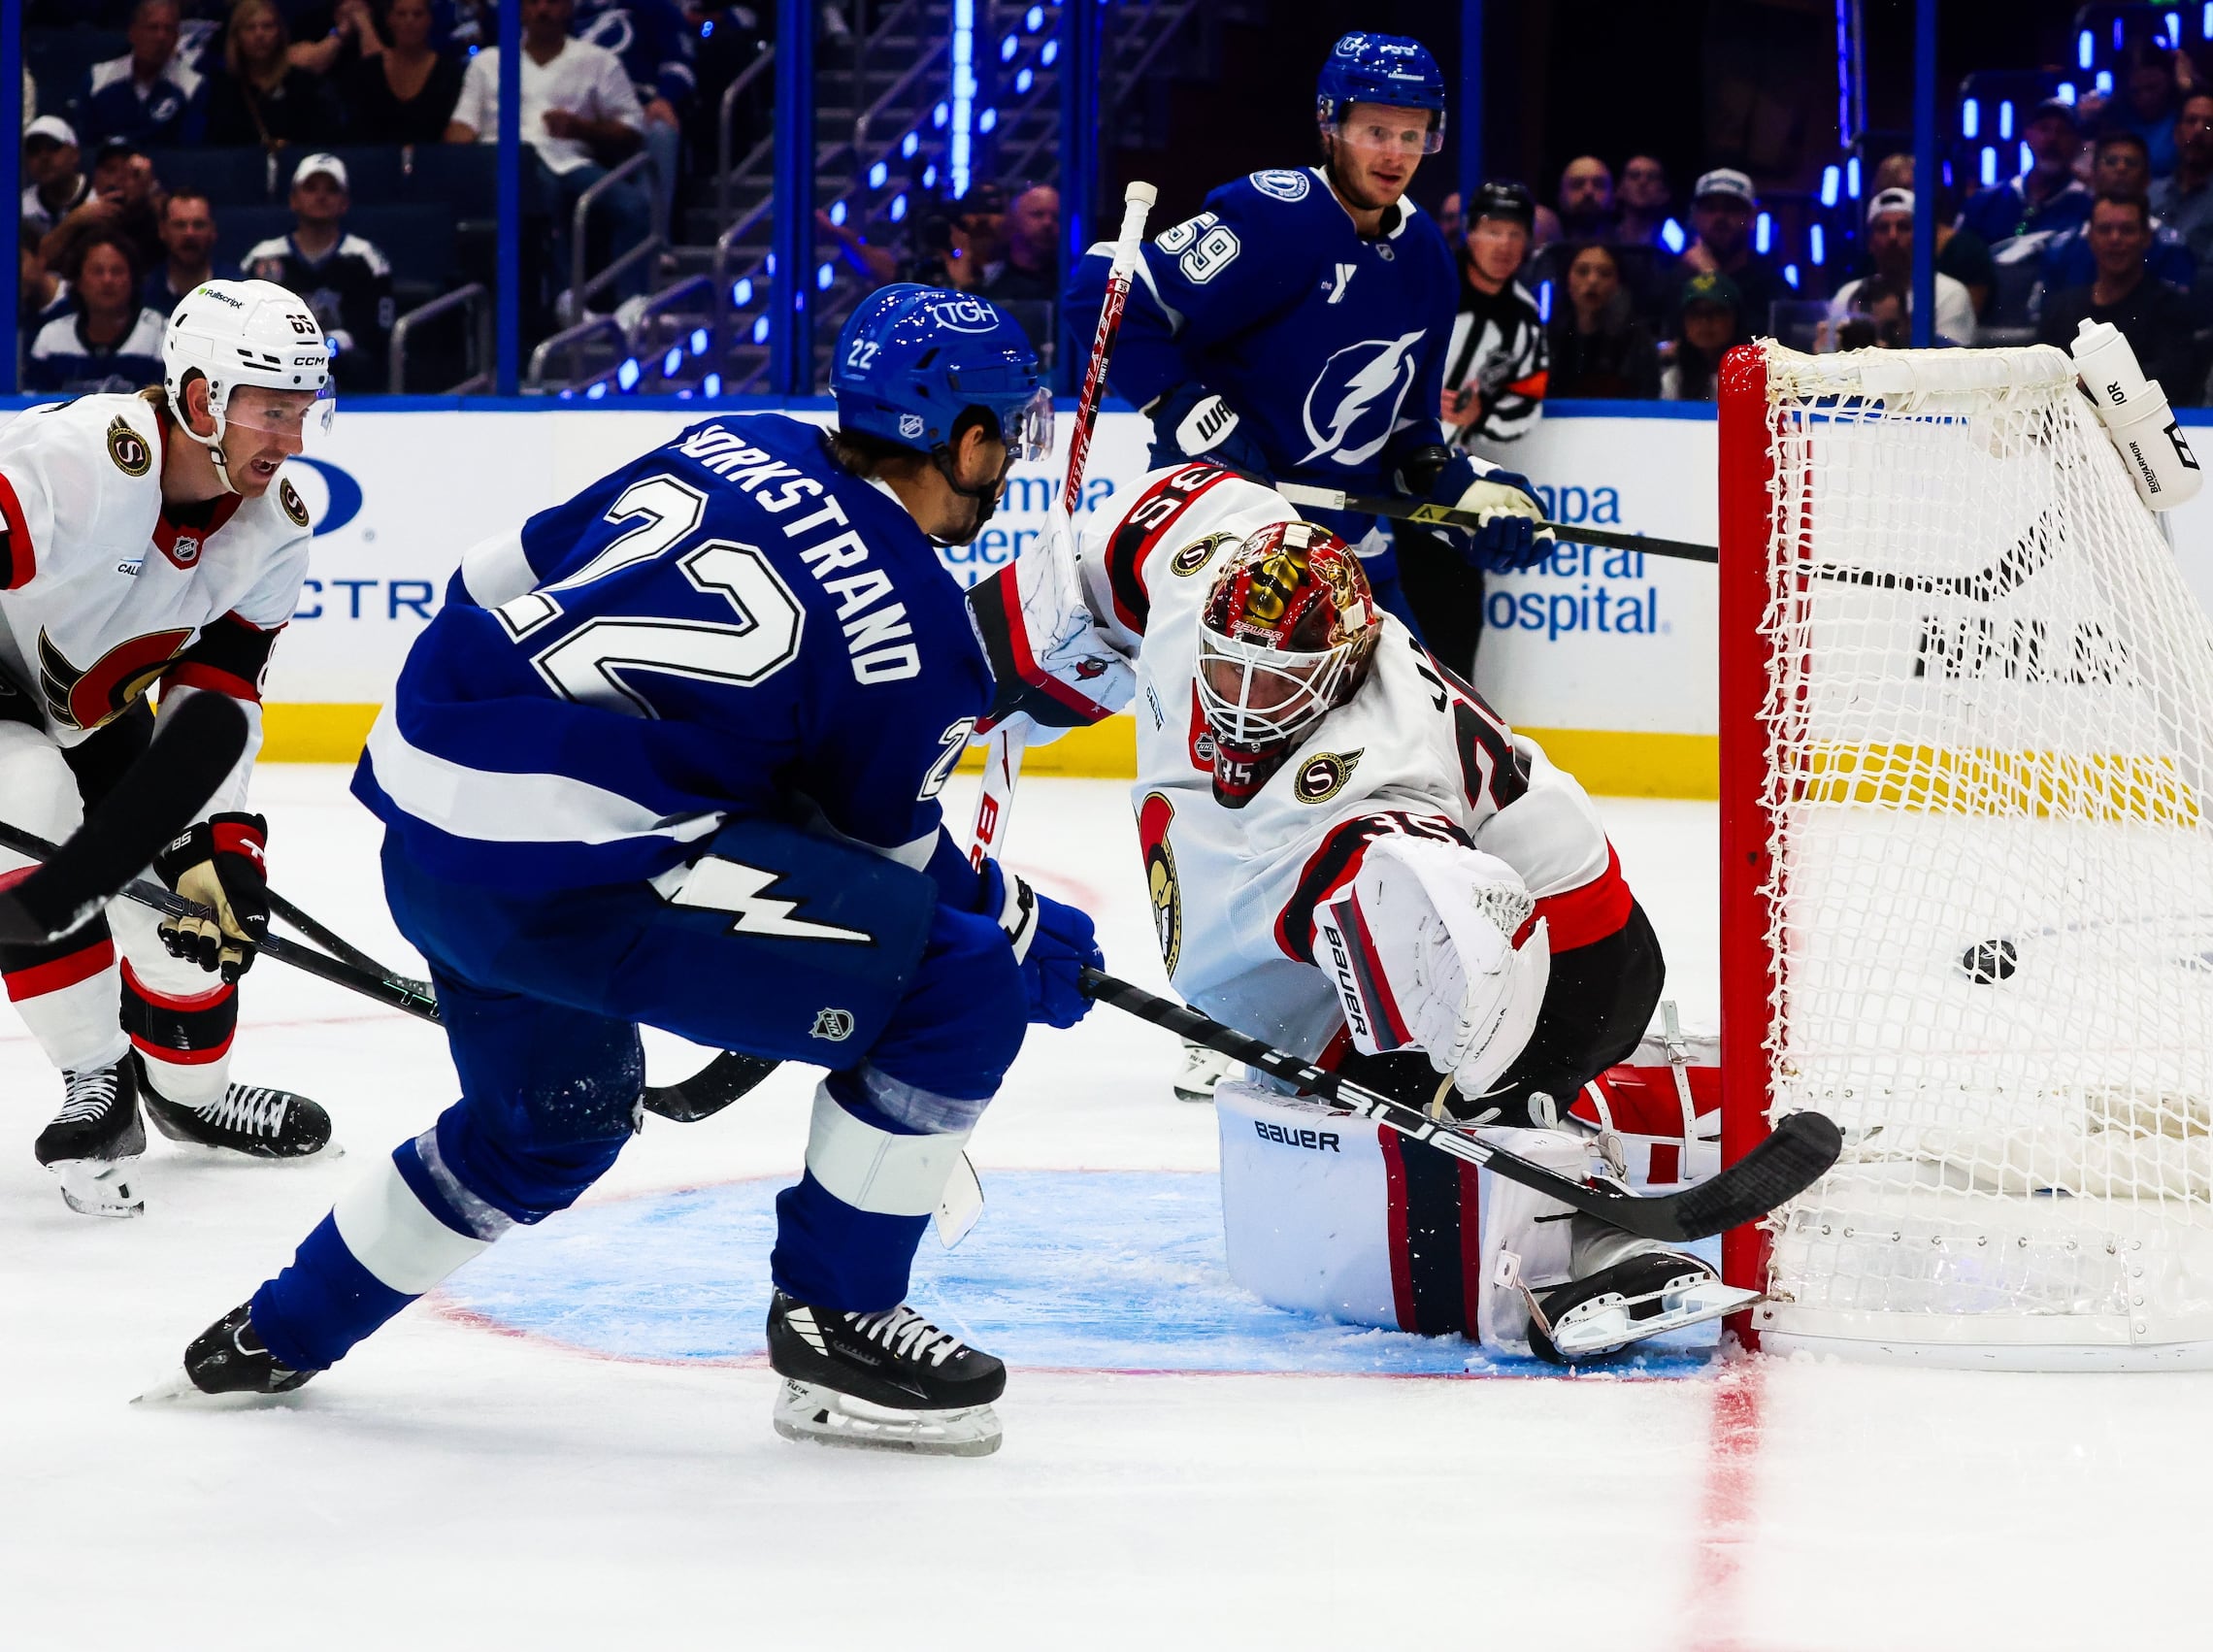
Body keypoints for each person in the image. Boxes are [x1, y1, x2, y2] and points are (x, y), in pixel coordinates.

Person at [158, 286, 1107, 1460]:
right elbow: (891, 864)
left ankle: (280, 1329)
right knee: (958, 986)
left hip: (421, 817)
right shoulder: (915, 624)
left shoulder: (732, 442)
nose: (1007, 459)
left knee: (550, 1123)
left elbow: (485, 578)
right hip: (570, 877)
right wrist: (1021, 929)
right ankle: (837, 1320)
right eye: (1004, 432)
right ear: (962, 437)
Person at [1052, 471, 1734, 1362]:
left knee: (1441, 1107)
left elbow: (1468, 958)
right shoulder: (1205, 585)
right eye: (1230, 669)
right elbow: (1174, 504)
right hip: (1454, 901)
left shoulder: (1381, 774)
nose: (1241, 704)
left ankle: (1595, 1238)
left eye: (1276, 683)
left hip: (1568, 946)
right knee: (1380, 1077)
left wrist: (1459, 1100)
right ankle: (1645, 1112)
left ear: (1341, 671)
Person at [0, 279, 338, 1218]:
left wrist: (221, 841)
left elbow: (221, 692)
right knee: (27, 810)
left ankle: (193, 1096)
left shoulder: (275, 530)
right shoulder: (91, 458)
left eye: (303, 413)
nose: (292, 440)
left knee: (194, 913)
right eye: (273, 413)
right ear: (202, 401)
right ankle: (96, 1081)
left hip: (97, 712)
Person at [1069, 32, 1547, 659]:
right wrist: (1184, 409)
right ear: (1331, 123)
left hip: (1354, 564)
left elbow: (1407, 428)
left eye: (1413, 136)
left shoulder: (1427, 257)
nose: (1395, 155)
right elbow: (1100, 292)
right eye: (1377, 131)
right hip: (1232, 554)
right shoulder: (1276, 215)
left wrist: (1462, 491)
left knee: (1430, 747)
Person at [446, 0, 652, 312]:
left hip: (571, 160)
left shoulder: (597, 60)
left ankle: (632, 306)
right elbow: (462, 126)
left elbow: (633, 127)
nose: (542, 10)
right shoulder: (488, 62)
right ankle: (565, 301)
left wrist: (583, 128)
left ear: (568, 8)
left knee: (633, 205)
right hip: (507, 162)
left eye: (552, 2)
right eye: (533, 2)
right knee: (542, 190)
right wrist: (455, 146)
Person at [244, 152, 394, 391]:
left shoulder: (367, 259)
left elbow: (377, 332)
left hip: (346, 374)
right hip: (278, 371)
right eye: (311, 188)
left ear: (345, 202)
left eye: (331, 189)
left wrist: (334, 344)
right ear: (293, 199)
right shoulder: (263, 257)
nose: (321, 196)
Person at [2037, 191, 2196, 396]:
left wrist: (2091, 384)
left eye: (2127, 230)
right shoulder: (2059, 308)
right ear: (2090, 237)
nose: (2115, 238)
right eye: (2104, 229)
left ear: (2146, 237)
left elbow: (2176, 380)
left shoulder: (2171, 307)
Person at [1959, 98, 2094, 326]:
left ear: (2078, 142)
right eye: (2043, 129)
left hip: (2057, 328)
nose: (2051, 139)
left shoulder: (2089, 207)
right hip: (1985, 327)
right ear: (2027, 136)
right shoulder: (1986, 202)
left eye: (2062, 131)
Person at [1444, 180, 1549, 446]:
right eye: (1493, 231)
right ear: (1470, 233)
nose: (1505, 244)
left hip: (1444, 462)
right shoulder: (1427, 284)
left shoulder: (1526, 318)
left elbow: (1528, 402)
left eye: (1515, 233)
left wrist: (1480, 414)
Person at [574, 0, 695, 229]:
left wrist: (666, 97)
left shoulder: (655, 8)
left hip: (640, 105)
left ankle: (650, 242)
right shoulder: (565, 11)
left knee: (660, 131)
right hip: (579, 109)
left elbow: (680, 65)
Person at [2039, 132, 2195, 300]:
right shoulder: (2061, 248)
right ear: (2093, 175)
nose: (2121, 168)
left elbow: (2179, 316)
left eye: (2131, 162)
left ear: (2147, 178)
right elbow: (2044, 317)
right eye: (2111, 162)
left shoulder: (2171, 247)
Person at [1827, 188, 1977, 346]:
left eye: (1904, 227)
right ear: (1870, 241)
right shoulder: (1848, 294)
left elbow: (1947, 364)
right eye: (1883, 228)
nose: (1892, 236)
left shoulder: (1950, 294)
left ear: (1921, 237)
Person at [25, 233, 166, 392]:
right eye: (97, 271)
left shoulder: (160, 334)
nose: (107, 280)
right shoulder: (51, 338)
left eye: (117, 271)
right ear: (77, 280)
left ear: (133, 279)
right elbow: (34, 406)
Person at [203, 0, 344, 150]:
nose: (259, 34)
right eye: (250, 28)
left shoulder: (304, 84)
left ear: (279, 32)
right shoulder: (222, 89)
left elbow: (324, 139)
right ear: (236, 36)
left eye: (267, 26)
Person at [1672, 168, 1792, 343]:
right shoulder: (1676, 278)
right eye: (1710, 208)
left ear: (1752, 217)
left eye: (1732, 209)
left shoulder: (1772, 283)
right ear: (1696, 217)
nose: (1720, 217)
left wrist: (1713, 277)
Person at [76, 0, 206, 151]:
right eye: (152, 28)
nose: (161, 37)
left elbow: (189, 154)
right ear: (133, 34)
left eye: (168, 29)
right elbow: (86, 146)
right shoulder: (97, 79)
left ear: (176, 37)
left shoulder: (193, 86)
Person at [339, 0, 467, 145]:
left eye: (417, 14)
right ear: (389, 19)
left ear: (430, 20)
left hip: (434, 162)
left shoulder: (450, 73)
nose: (409, 21)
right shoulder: (366, 72)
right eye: (401, 14)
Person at [1547, 243, 1659, 399]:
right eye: (1582, 271)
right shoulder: (1550, 336)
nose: (1592, 280)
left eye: (1605, 273)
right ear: (1567, 281)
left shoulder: (1637, 339)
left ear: (1618, 284)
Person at [142, 188, 241, 316]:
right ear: (162, 231)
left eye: (199, 225)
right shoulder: (144, 293)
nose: (189, 234)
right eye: (179, 225)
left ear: (213, 231)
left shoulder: (237, 291)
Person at [2149, 91, 2213, 267]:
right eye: (2191, 121)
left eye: (2209, 124)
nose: (2199, 130)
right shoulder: (2151, 194)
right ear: (2177, 133)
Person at [1660, 269, 1736, 401]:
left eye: (1715, 312)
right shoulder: (1673, 380)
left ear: (1735, 318)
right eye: (1695, 313)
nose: (1704, 322)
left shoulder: (1756, 379)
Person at [979, 182, 1058, 304]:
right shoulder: (988, 279)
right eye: (1037, 214)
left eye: (1056, 217)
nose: (1048, 223)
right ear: (1013, 219)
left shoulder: (1070, 281)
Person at [20, 117, 91, 246]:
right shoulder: (22, 210)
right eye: (34, 150)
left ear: (75, 154)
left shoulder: (98, 199)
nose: (44, 157)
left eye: (53, 147)